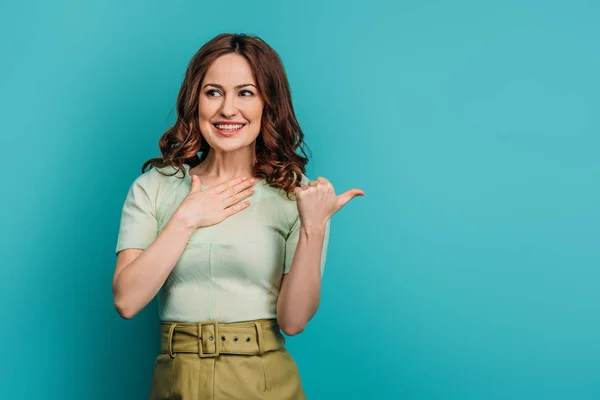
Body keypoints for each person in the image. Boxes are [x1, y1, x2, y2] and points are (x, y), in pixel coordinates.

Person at [112, 33, 364, 400]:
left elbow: (293, 322)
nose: (228, 109)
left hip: (263, 380)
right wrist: (187, 218)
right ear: (194, 101)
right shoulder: (154, 188)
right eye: (213, 92)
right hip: (177, 381)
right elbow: (127, 301)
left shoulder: (296, 194)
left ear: (268, 104)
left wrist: (314, 227)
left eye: (245, 92)